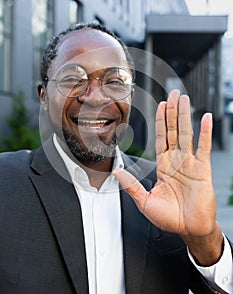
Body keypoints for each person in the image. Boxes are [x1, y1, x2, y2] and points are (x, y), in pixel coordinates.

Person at [0, 22, 232, 294]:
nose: (95, 98)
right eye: (74, 80)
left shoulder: (165, 188)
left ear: (131, 95)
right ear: (43, 95)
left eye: (114, 81)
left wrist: (205, 241)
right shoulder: (5, 182)